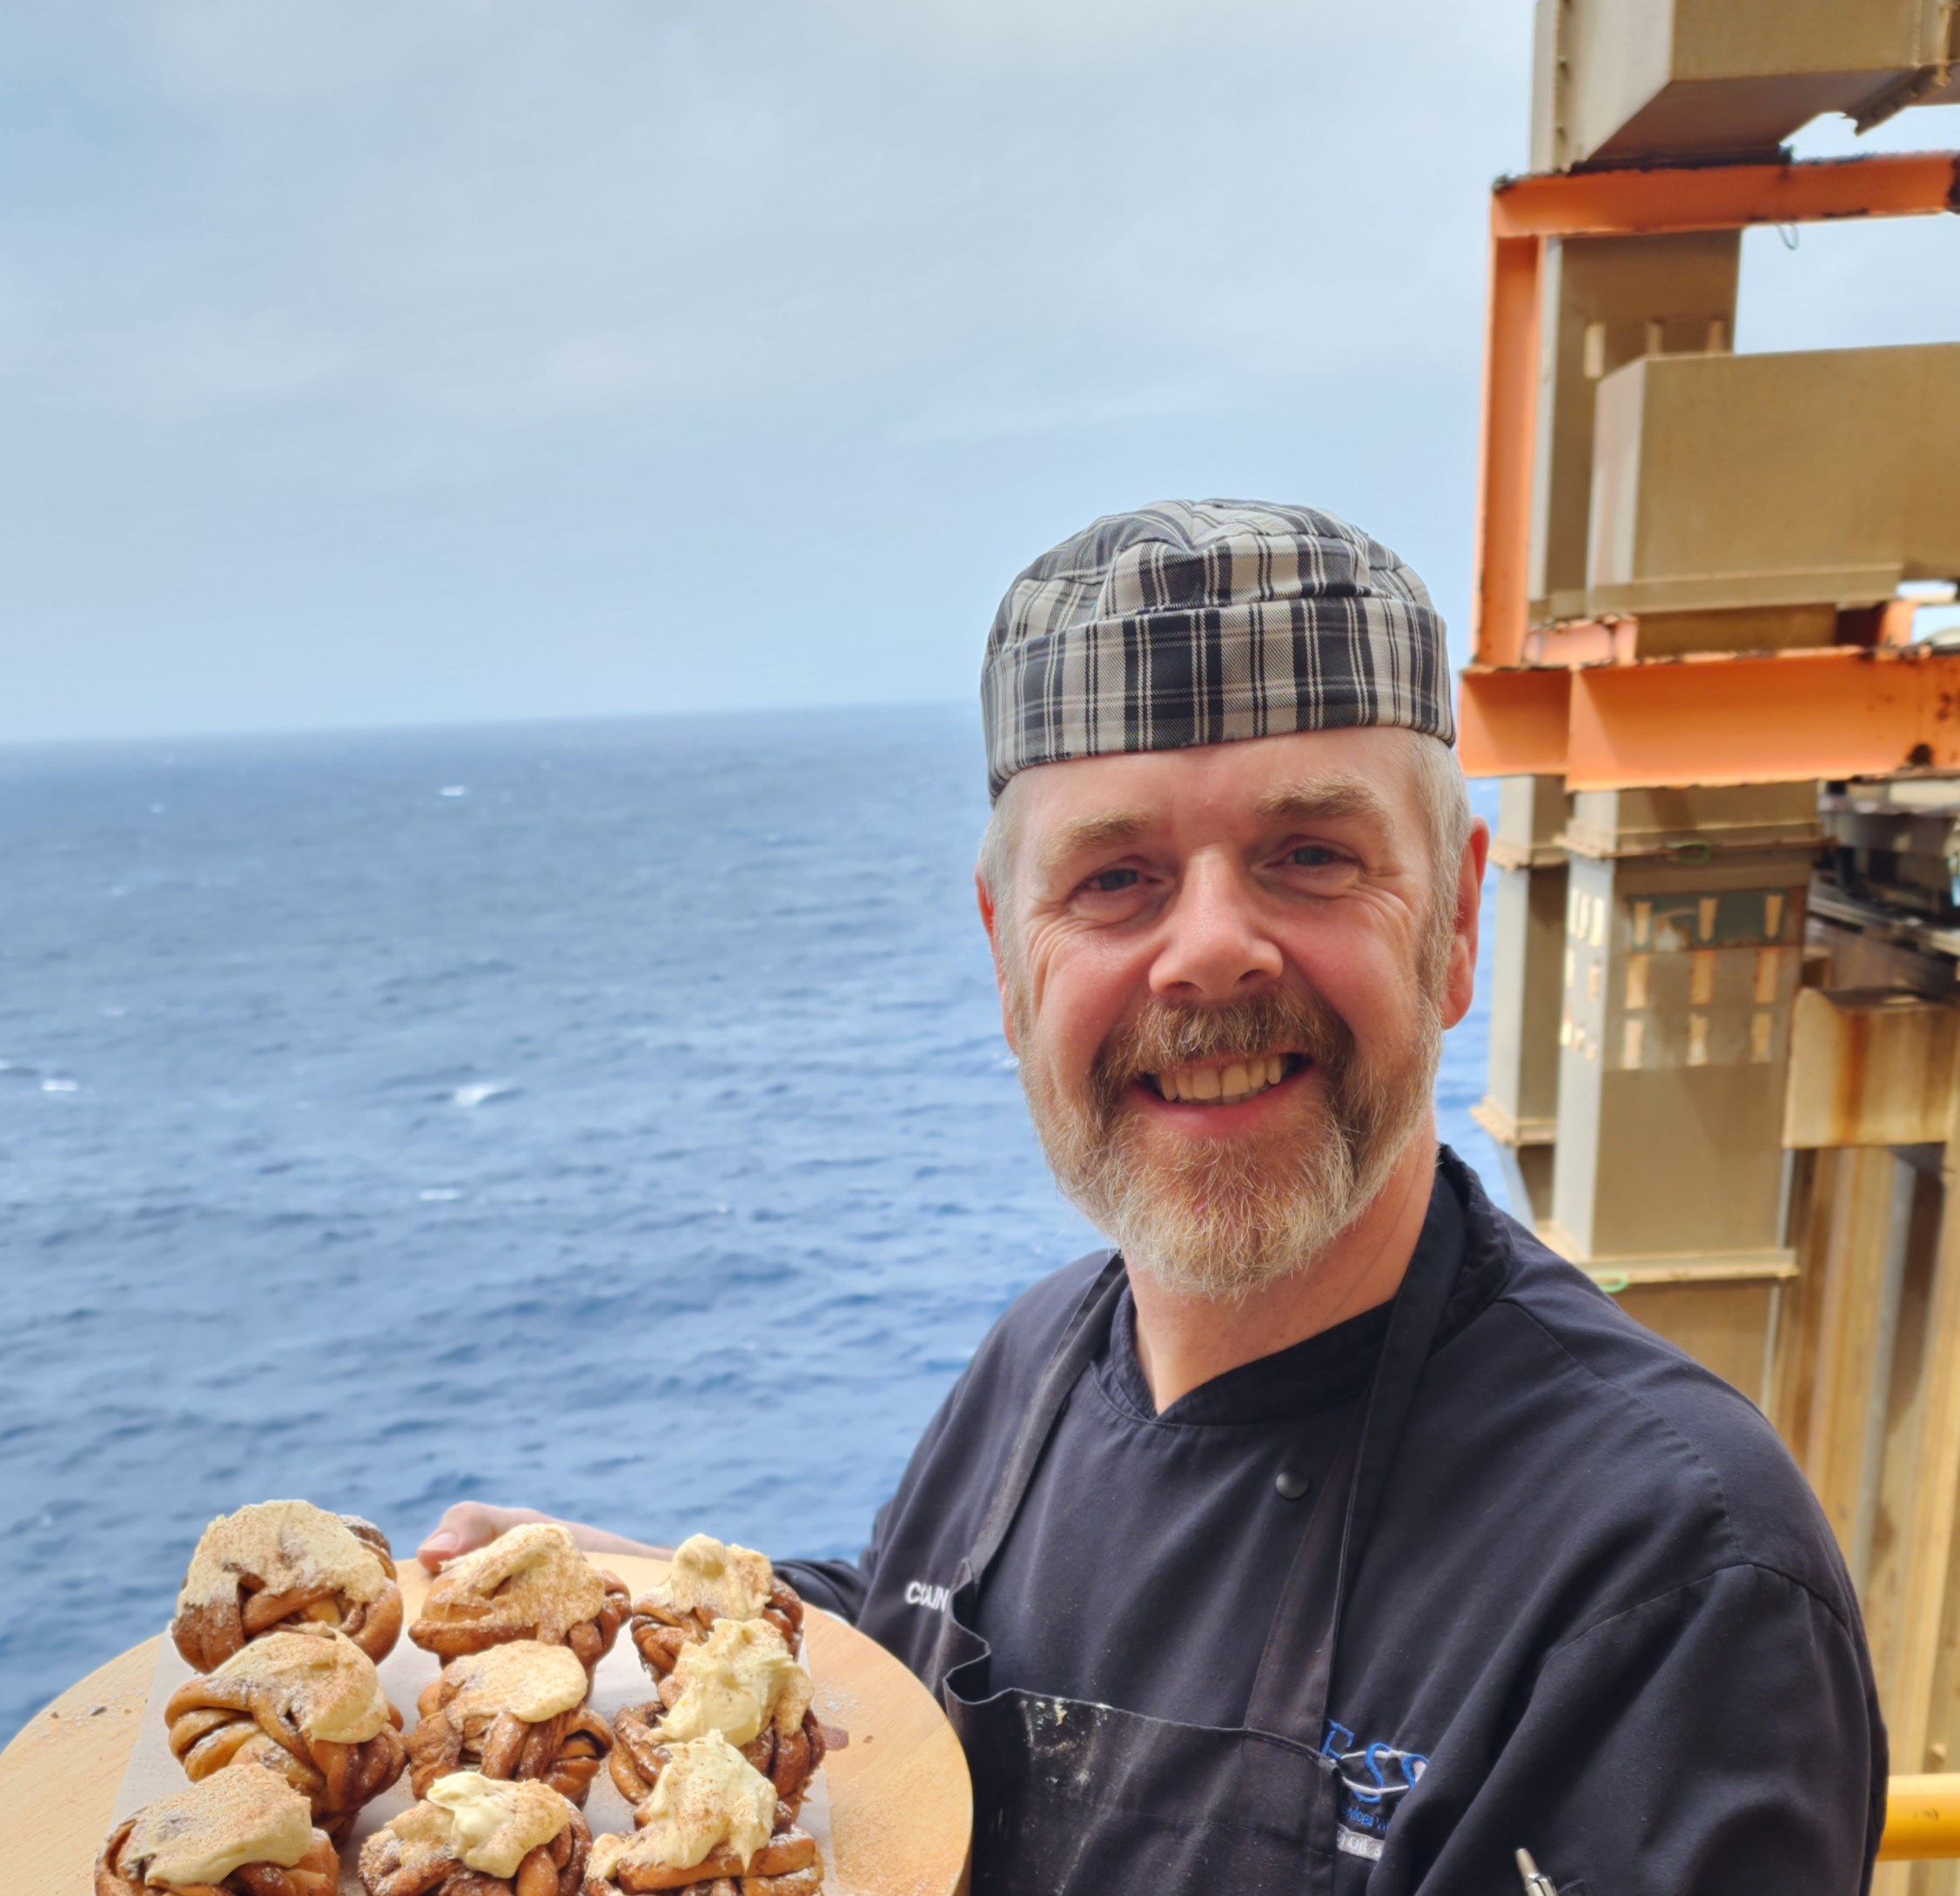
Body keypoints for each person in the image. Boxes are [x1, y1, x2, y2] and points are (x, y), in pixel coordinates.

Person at [420, 502, 1885, 1894]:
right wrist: (634, 1600)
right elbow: (938, 1639)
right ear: (1009, 962)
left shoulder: (1671, 1581)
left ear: (1452, 925)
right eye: (1116, 879)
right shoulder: (1045, 1357)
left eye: (1310, 857)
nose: (1210, 954)